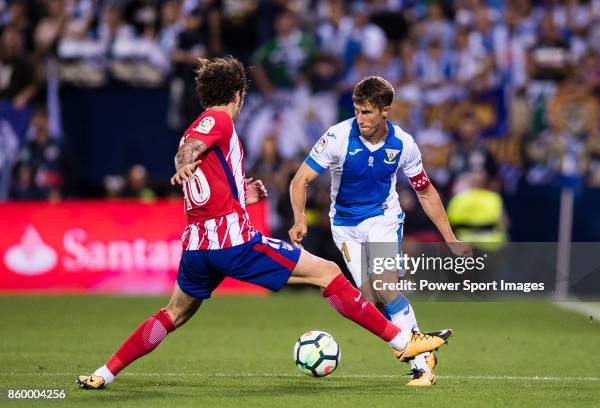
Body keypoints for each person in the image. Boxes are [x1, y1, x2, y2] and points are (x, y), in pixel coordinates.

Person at [76, 58, 451, 390]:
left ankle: (105, 373)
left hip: (197, 249)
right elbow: (189, 153)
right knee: (328, 272)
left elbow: (204, 182)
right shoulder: (217, 119)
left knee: (172, 313)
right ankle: (404, 343)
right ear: (238, 93)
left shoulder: (195, 127)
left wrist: (241, 196)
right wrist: (183, 162)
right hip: (234, 244)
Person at [289, 76, 470, 387]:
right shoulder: (337, 138)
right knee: (369, 301)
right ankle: (415, 346)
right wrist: (299, 219)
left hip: (382, 219)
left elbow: (426, 193)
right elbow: (299, 180)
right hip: (345, 226)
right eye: (357, 111)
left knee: (386, 288)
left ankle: (422, 363)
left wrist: (450, 239)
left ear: (386, 111)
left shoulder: (404, 144)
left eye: (367, 112)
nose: (360, 119)